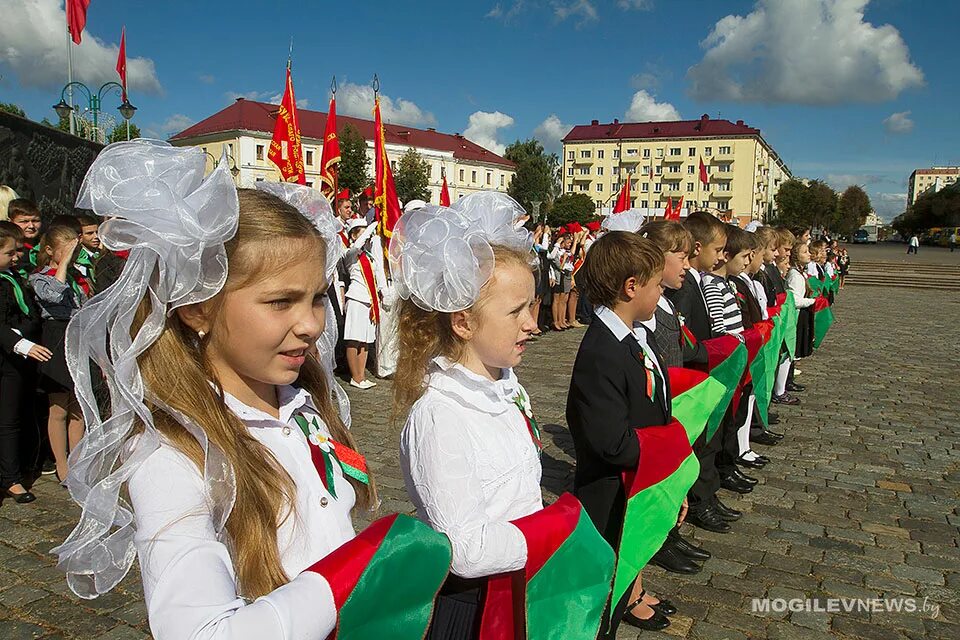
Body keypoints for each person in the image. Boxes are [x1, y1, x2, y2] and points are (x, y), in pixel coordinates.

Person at [54, 141, 381, 638]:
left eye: (316, 298)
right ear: (198, 308)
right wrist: (350, 576)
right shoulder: (173, 452)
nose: (312, 324)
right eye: (280, 302)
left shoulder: (301, 401)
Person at [391, 195, 544, 638]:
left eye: (532, 307)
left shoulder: (505, 384)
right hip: (473, 605)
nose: (532, 323)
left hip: (516, 583)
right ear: (463, 323)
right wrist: (554, 530)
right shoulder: (441, 415)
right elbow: (468, 550)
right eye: (516, 311)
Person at [567, 230, 675, 635]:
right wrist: (664, 458)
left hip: (634, 486)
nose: (661, 295)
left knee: (625, 563)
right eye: (657, 286)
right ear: (631, 287)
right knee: (601, 600)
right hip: (608, 493)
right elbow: (611, 441)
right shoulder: (602, 350)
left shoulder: (630, 338)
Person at [636, 220, 712, 575]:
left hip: (674, 401)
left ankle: (671, 532)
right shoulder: (647, 313)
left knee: (674, 473)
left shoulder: (665, 303)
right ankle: (660, 539)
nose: (686, 264)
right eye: (679, 257)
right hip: (659, 403)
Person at [664, 211, 731, 534]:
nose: (721, 258)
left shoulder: (694, 279)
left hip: (699, 372)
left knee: (706, 440)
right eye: (718, 251)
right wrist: (708, 351)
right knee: (697, 444)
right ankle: (699, 499)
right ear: (698, 247)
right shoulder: (685, 286)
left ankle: (706, 494)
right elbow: (682, 334)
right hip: (689, 375)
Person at [28, 222, 87, 482]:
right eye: (66, 252)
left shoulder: (75, 276)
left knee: (78, 407)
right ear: (50, 250)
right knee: (59, 408)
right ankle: (61, 464)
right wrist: (61, 264)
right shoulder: (39, 276)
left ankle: (77, 460)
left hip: (77, 335)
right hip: (55, 336)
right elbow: (53, 295)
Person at [0, 221, 50, 503]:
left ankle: (21, 465)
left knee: (20, 415)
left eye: (18, 251)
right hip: (8, 359)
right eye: (10, 252)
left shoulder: (16, 277)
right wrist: (21, 343)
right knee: (7, 420)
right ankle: (11, 479)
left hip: (22, 364)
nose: (17, 256)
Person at [342, 218, 382, 389]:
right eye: (362, 231)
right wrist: (373, 224)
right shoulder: (351, 253)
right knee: (354, 339)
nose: (367, 235)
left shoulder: (369, 256)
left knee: (365, 340)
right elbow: (358, 245)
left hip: (369, 301)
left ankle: (361, 375)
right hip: (356, 299)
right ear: (353, 234)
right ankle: (355, 376)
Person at [6, 199, 43, 274]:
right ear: (10, 222)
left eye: (35, 221)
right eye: (24, 221)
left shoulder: (46, 245)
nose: (31, 226)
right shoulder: (5, 247)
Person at [74, 214, 101, 284]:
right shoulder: (78, 258)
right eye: (90, 233)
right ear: (80, 237)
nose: (96, 236)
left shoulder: (100, 253)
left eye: (97, 232)